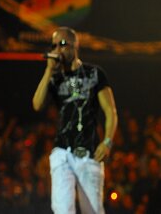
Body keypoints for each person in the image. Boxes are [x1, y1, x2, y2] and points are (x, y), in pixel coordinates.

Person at [32, 26, 118, 214]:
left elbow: (110, 111)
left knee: (92, 210)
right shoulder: (55, 79)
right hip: (62, 151)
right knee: (63, 209)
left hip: (88, 152)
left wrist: (108, 142)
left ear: (75, 45)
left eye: (62, 44)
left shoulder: (94, 73)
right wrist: (48, 72)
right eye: (53, 45)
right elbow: (37, 104)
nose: (57, 50)